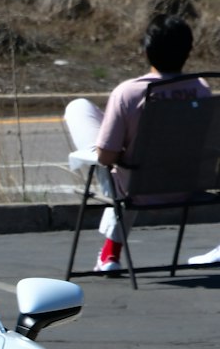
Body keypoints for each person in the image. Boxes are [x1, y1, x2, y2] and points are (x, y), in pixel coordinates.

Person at [63, 15, 209, 273]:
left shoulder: (129, 92)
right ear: (188, 50)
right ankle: (110, 253)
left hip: (136, 188)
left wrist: (116, 149)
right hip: (185, 186)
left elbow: (106, 157)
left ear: (147, 49)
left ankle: (110, 256)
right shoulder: (201, 89)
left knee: (79, 109)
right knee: (132, 162)